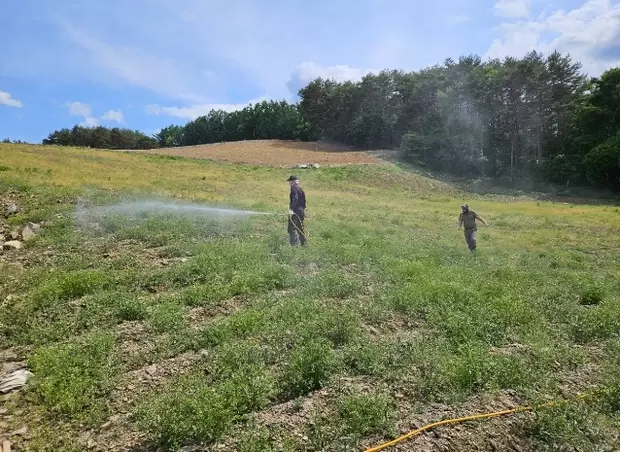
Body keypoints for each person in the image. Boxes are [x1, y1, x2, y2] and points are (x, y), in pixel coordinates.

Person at [287, 175, 307, 246]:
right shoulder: (300, 189)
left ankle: (294, 246)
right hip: (300, 211)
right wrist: (303, 211)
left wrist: (292, 209)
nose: (289, 183)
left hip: (295, 211)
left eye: (289, 181)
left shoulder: (293, 188)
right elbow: (304, 202)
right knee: (300, 228)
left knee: (291, 228)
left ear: (292, 182)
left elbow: (295, 198)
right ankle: (304, 244)